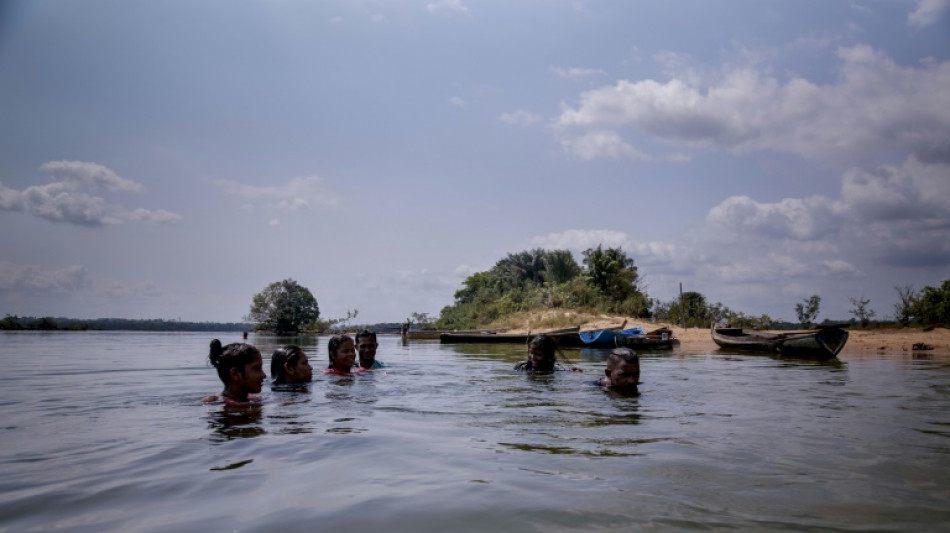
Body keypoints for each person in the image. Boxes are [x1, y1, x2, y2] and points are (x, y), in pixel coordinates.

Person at [203, 339, 266, 404]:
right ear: (235, 374)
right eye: (257, 368)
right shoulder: (215, 403)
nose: (264, 375)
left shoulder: (256, 400)